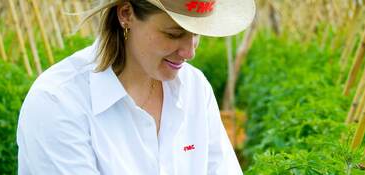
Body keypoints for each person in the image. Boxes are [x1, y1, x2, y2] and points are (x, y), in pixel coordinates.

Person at [16, 0, 255, 174]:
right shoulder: (58, 101)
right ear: (126, 14)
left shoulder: (194, 88)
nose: (189, 51)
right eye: (173, 34)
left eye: (196, 35)